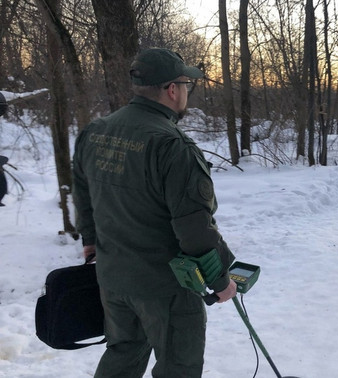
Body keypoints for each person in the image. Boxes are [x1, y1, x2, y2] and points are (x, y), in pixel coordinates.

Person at [72, 48, 237, 378]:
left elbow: (84, 193)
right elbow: (195, 230)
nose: (186, 92)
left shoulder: (95, 131)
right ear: (172, 90)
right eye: (186, 84)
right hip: (166, 289)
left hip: (112, 277)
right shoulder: (173, 146)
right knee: (179, 366)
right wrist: (221, 281)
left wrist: (90, 241)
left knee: (123, 353)